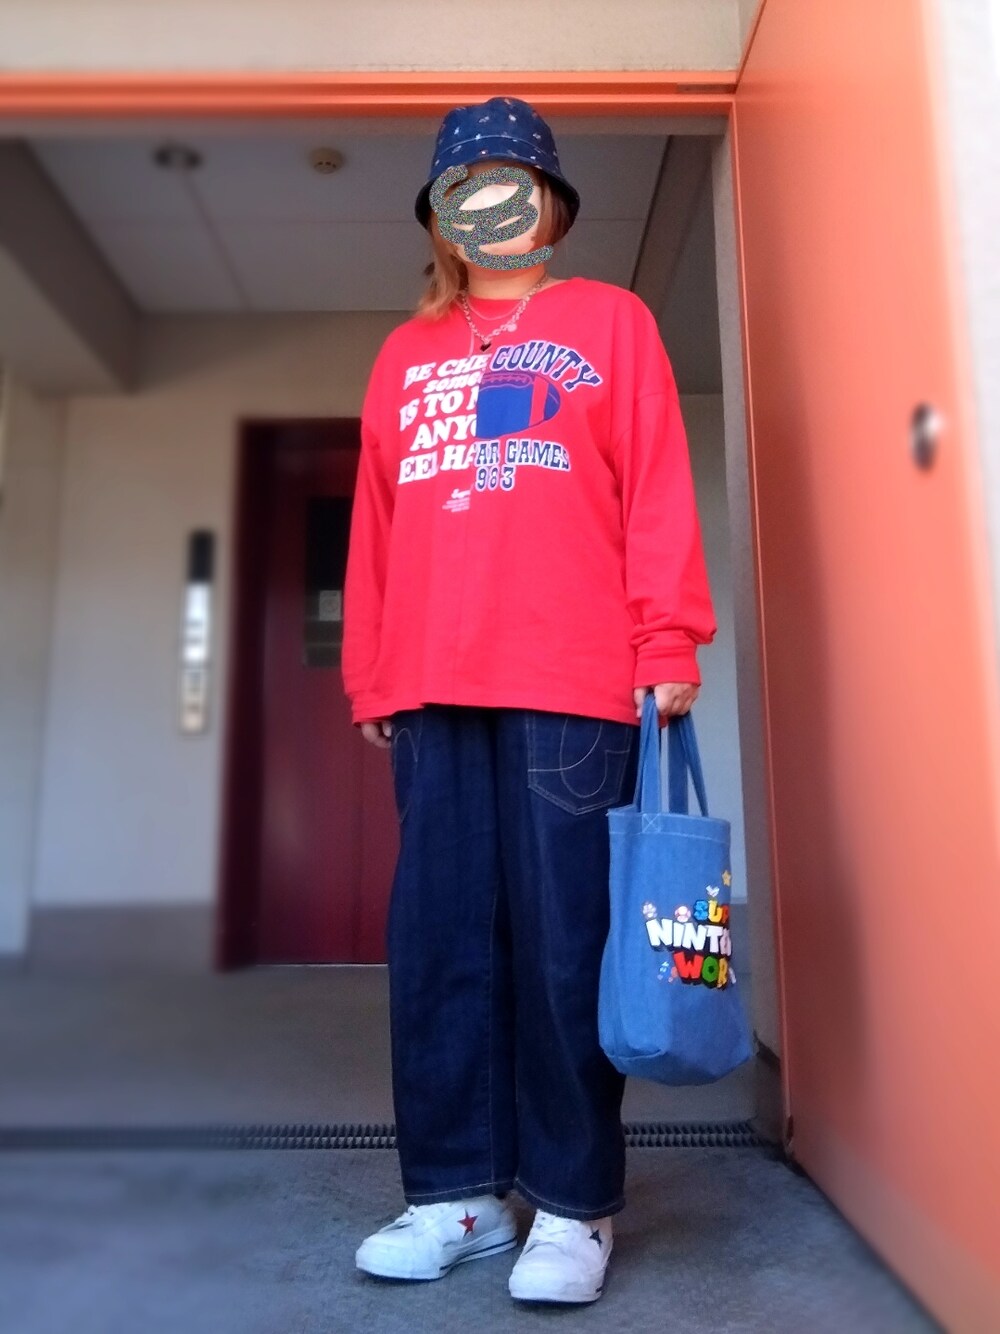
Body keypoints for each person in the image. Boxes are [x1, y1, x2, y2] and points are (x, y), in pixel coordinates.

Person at [342, 95, 717, 1305]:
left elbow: (653, 484)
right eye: (470, 185)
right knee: (440, 942)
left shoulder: (610, 321)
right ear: (442, 216)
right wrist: (370, 667)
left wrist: (668, 634)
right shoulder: (404, 354)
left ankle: (570, 1202)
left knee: (565, 947)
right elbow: (376, 526)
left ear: (549, 204)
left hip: (574, 679)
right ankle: (455, 1193)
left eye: (515, 181)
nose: (494, 202)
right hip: (431, 681)